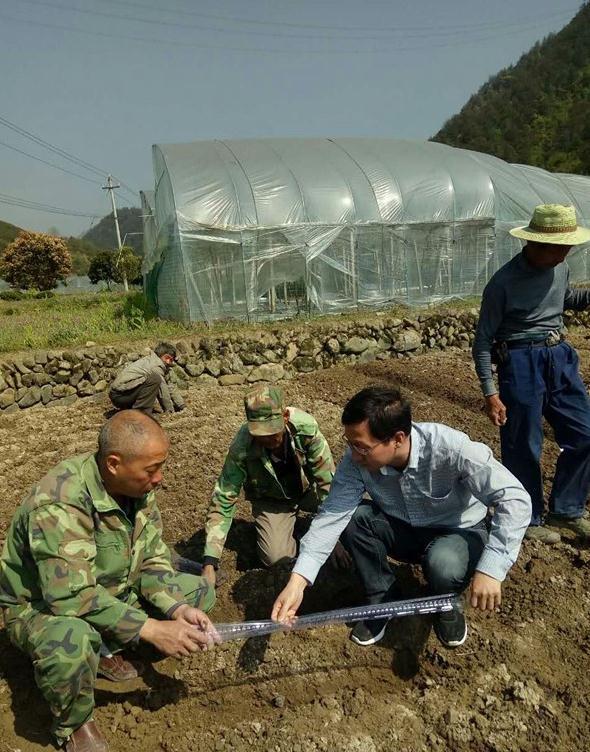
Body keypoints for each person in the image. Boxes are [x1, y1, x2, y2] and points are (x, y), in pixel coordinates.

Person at [0, 411, 218, 752]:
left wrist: (176, 609)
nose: (160, 478)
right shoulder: (60, 501)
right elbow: (70, 598)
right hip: (44, 606)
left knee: (199, 592)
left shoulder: (137, 488)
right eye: (152, 469)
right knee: (70, 642)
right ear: (114, 464)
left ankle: (107, 646)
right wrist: (150, 628)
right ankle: (74, 723)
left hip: (109, 586)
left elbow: (151, 560)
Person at [272, 386, 531, 649]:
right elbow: (332, 515)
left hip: (459, 532)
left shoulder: (452, 449)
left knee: (444, 564)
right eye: (350, 443)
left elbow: (515, 499)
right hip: (404, 530)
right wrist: (298, 581)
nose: (353, 454)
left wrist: (491, 569)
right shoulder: (356, 462)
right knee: (353, 518)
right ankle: (383, 597)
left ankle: (446, 604)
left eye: (361, 446)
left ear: (397, 438)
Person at [473, 204, 590, 545]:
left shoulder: (560, 267)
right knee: (523, 444)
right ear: (537, 244)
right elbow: (482, 341)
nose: (567, 252)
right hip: (521, 362)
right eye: (561, 247)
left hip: (560, 357)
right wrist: (490, 393)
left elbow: (565, 299)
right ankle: (529, 516)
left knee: (584, 434)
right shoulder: (503, 283)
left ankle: (566, 509)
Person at [202, 384, 338, 586]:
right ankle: (296, 532)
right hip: (273, 501)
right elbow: (224, 496)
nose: (267, 438)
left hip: (309, 492)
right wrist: (209, 562)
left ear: (284, 417)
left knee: (351, 515)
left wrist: (332, 538)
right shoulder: (242, 446)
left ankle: (313, 528)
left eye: (272, 430)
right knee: (276, 559)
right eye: (260, 433)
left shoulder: (306, 430)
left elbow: (327, 483)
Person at [109, 341, 185, 415]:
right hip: (120, 395)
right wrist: (170, 411)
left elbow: (170, 386)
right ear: (160, 355)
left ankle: (133, 409)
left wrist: (181, 405)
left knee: (154, 379)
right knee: (155, 379)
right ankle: (141, 412)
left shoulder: (160, 365)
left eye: (171, 360)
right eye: (167, 358)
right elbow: (163, 391)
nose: (168, 362)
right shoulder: (155, 366)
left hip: (126, 393)